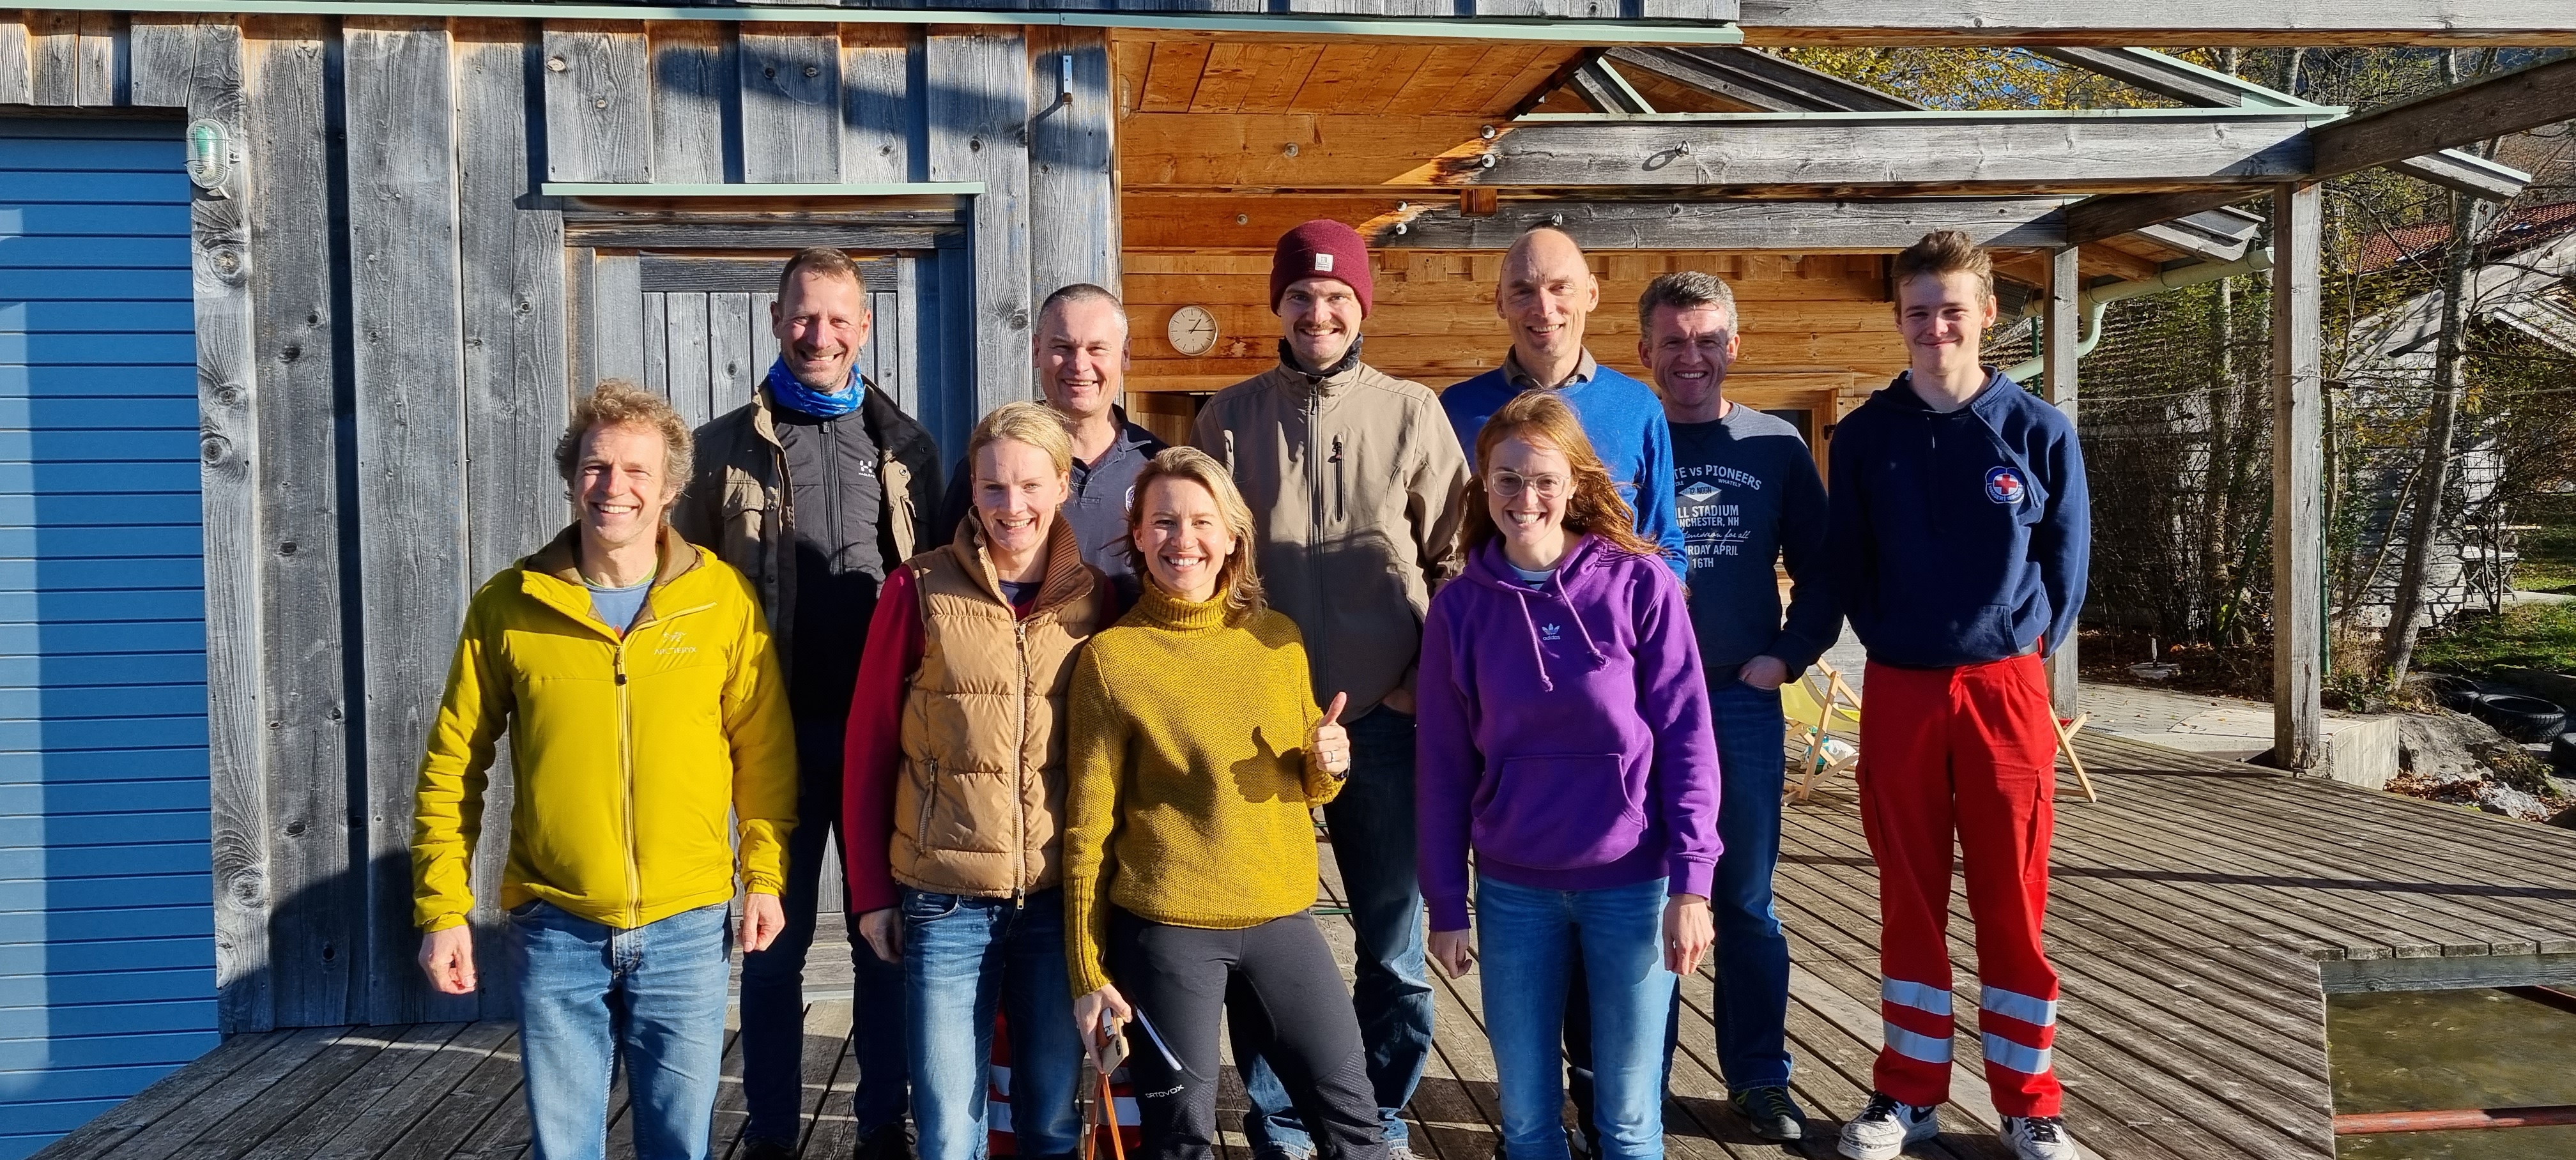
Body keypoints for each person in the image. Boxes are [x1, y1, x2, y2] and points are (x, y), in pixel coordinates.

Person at [413, 381, 797, 1160]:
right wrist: (442, 907)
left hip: (687, 924)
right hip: (556, 925)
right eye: (596, 467)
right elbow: (454, 765)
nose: (613, 488)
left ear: (670, 489)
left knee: (679, 1147)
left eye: (634, 471)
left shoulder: (719, 600)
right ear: (571, 476)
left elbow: (764, 752)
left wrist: (765, 875)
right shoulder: (511, 605)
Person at [1190, 220, 1468, 1160]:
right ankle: (1277, 1120)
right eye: (1302, 297)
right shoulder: (1226, 417)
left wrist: (1420, 687)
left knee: (1393, 942)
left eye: (1338, 298)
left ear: (1362, 308)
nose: (1319, 312)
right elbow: (1204, 566)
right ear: (1279, 305)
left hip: (1386, 725)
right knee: (1265, 938)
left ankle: (1376, 1113)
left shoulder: (1413, 413)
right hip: (1259, 730)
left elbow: (1458, 563)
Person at [673, 246, 943, 1160]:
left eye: (838, 318)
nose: (818, 334)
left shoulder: (907, 449)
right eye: (802, 315)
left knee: (883, 941)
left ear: (864, 328)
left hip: (883, 741)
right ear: (776, 318)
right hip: (772, 740)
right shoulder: (718, 453)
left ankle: (881, 1128)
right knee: (773, 944)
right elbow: (682, 593)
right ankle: (773, 1133)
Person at [1826, 231, 2089, 1160]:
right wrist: (1892, 635)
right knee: (1909, 895)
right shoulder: (1861, 438)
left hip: (2006, 690)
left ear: (1987, 314)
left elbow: (2067, 564)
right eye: (1918, 312)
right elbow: (1846, 563)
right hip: (1899, 685)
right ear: (1899, 321)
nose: (1935, 327)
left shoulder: (2040, 431)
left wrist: (2019, 650)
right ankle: (1908, 1094)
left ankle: (2029, 1101)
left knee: (2014, 900)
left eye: (1952, 309)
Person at [1416, 390, 1721, 1160]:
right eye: (1508, 478)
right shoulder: (1459, 610)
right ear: (1483, 486)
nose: (1527, 497)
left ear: (1578, 484)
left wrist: (1693, 884)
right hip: (1517, 891)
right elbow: (1444, 766)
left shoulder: (1638, 584)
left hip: (1633, 882)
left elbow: (1688, 735)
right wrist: (1447, 902)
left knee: (1626, 1119)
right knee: (1526, 1121)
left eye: (1545, 479)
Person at [1062, 447, 1388, 1160]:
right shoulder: (1112, 660)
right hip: (1167, 930)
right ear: (1139, 534)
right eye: (1165, 522)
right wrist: (1088, 970)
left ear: (1233, 535)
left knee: (1355, 1125)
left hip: (1280, 914)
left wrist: (1330, 762)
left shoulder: (1279, 641)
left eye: (1202, 522)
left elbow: (1310, 777)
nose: (1185, 540)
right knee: (1181, 1142)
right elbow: (1088, 830)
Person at [842, 402, 1109, 1160]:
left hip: (1057, 901)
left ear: (1062, 484)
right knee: (947, 1124)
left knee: (1052, 1120)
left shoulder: (1098, 601)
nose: (1011, 506)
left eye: (1030, 485)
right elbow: (869, 749)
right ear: (973, 490)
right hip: (945, 900)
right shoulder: (917, 588)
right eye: (992, 487)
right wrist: (870, 895)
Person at [1637, 271, 1839, 1143]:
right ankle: (1636, 1077)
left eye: (1707, 339)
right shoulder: (1619, 439)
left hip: (1737, 706)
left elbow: (1830, 571)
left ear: (1735, 346)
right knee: (1640, 901)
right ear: (1644, 351)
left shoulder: (1776, 450)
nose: (1692, 357)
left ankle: (1759, 1080)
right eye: (1674, 341)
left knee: (1745, 903)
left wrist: (1789, 655)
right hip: (1632, 715)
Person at [1439, 225, 1685, 578]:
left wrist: (1658, 620)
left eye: (1560, 288)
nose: (1543, 307)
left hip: (1609, 630)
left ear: (1592, 294)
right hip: (1503, 623)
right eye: (1523, 291)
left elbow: (1664, 542)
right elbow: (1442, 544)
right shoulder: (1458, 410)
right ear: (1500, 302)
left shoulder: (1637, 406)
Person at [938, 284, 1167, 604]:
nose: (1079, 365)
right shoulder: (995, 463)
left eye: (1097, 349)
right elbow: (944, 576)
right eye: (1063, 347)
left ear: (1125, 355)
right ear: (1036, 351)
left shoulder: (1159, 465)